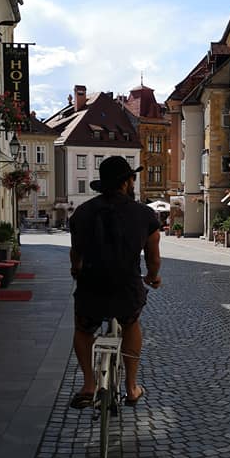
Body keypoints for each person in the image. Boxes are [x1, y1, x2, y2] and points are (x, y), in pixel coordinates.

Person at [69, 155, 162, 408]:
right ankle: (131, 388)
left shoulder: (82, 213)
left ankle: (88, 385)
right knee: (130, 324)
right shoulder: (144, 214)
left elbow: (76, 252)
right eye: (133, 178)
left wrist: (76, 270)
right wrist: (152, 277)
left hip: (91, 285)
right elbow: (153, 258)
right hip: (126, 286)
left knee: (83, 329)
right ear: (126, 182)